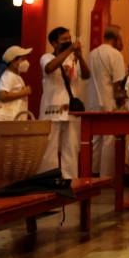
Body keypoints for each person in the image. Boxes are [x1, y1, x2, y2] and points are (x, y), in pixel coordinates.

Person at [38, 27, 91, 179]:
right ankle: (49, 178)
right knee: (50, 146)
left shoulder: (73, 58)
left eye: (70, 38)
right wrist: (69, 50)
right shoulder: (46, 57)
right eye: (64, 39)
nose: (69, 41)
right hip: (52, 109)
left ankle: (70, 179)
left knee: (71, 146)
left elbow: (86, 75)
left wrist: (80, 57)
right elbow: (50, 68)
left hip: (71, 109)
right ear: (54, 43)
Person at [86, 25, 127, 177]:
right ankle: (107, 176)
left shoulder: (92, 53)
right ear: (116, 39)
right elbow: (117, 83)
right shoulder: (115, 55)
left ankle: (93, 173)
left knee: (95, 138)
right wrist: (121, 103)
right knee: (109, 139)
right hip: (108, 101)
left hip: (93, 100)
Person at [0, 45, 33, 121]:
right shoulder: (8, 76)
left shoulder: (16, 76)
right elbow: (2, 96)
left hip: (15, 120)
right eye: (22, 59)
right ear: (13, 61)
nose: (26, 62)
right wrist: (23, 92)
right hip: (8, 120)